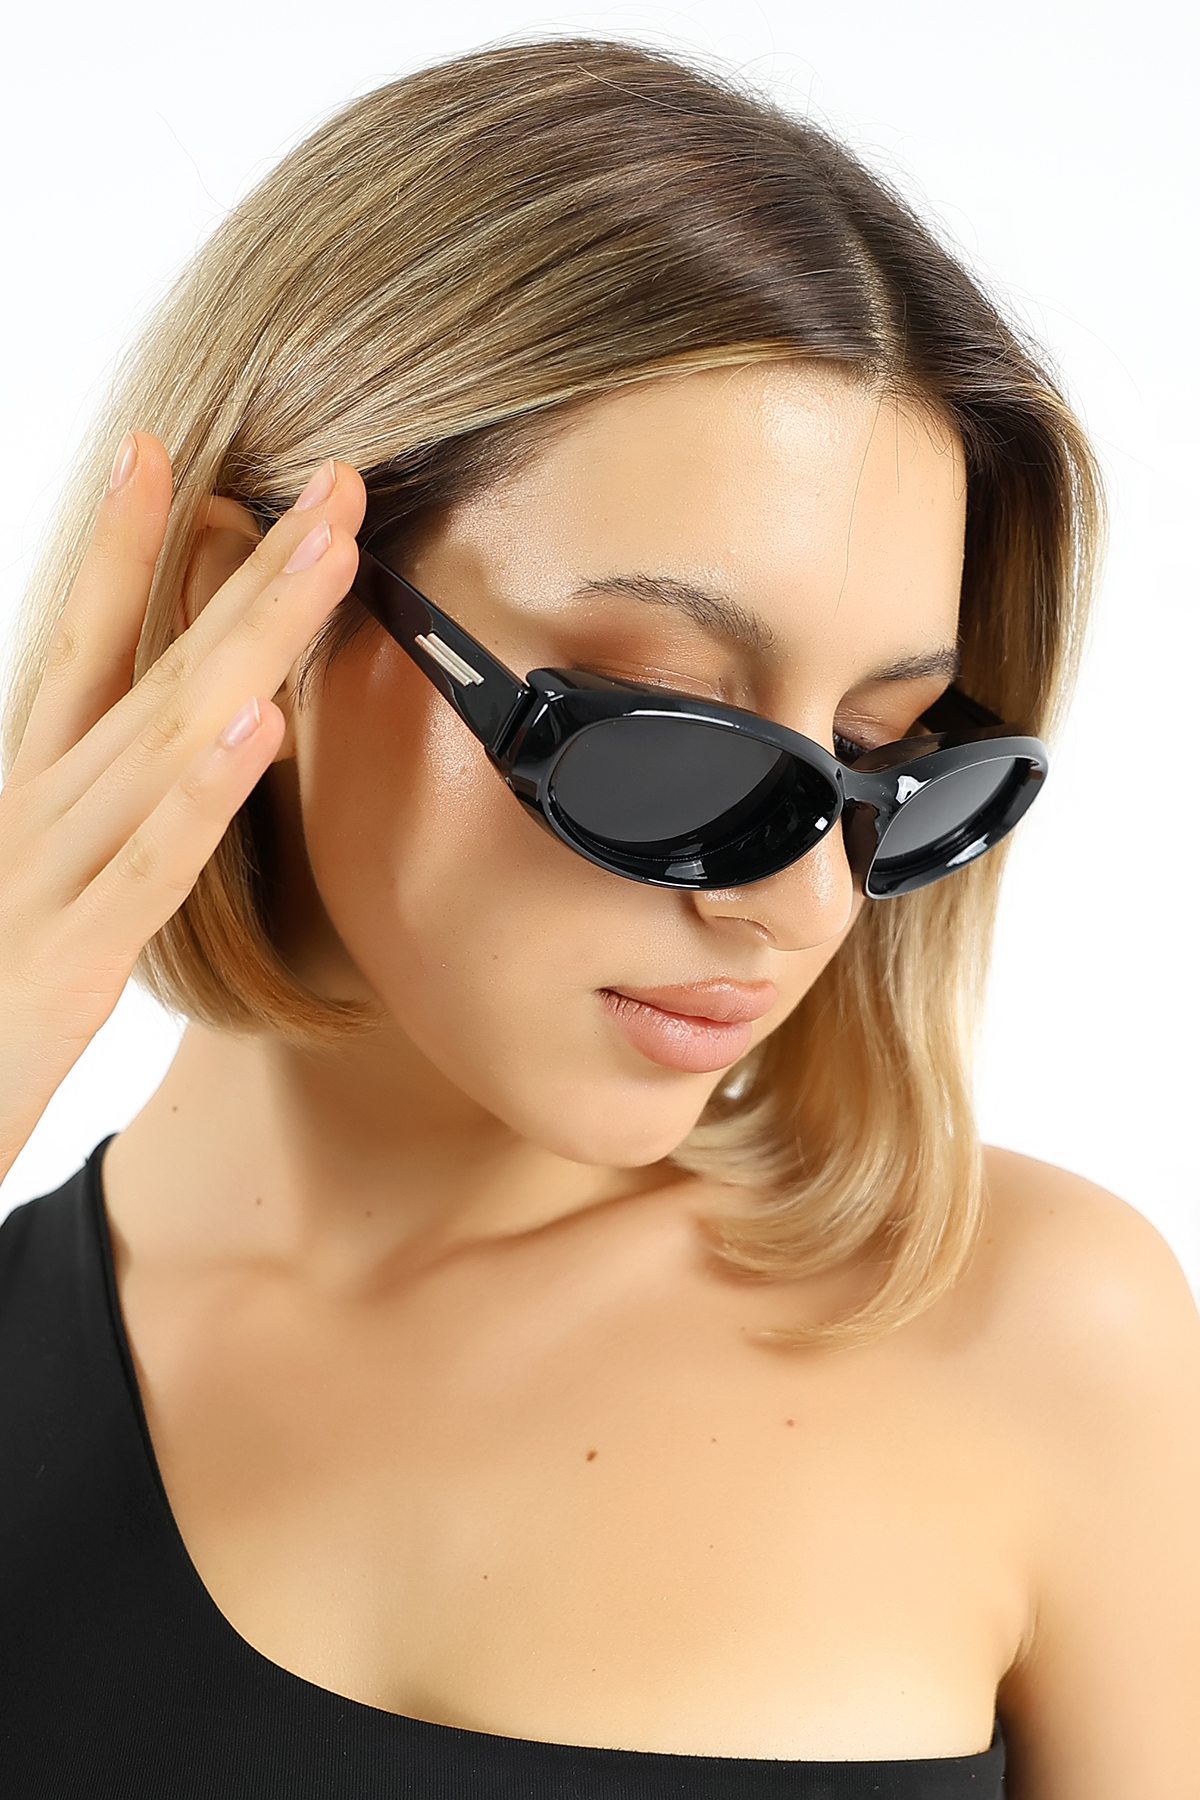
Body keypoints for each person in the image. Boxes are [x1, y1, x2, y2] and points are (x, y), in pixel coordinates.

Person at [0, 37, 1196, 1800]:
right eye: (669, 735)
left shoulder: (1048, 1338)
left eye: (884, 760)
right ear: (241, 617)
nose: (802, 902)